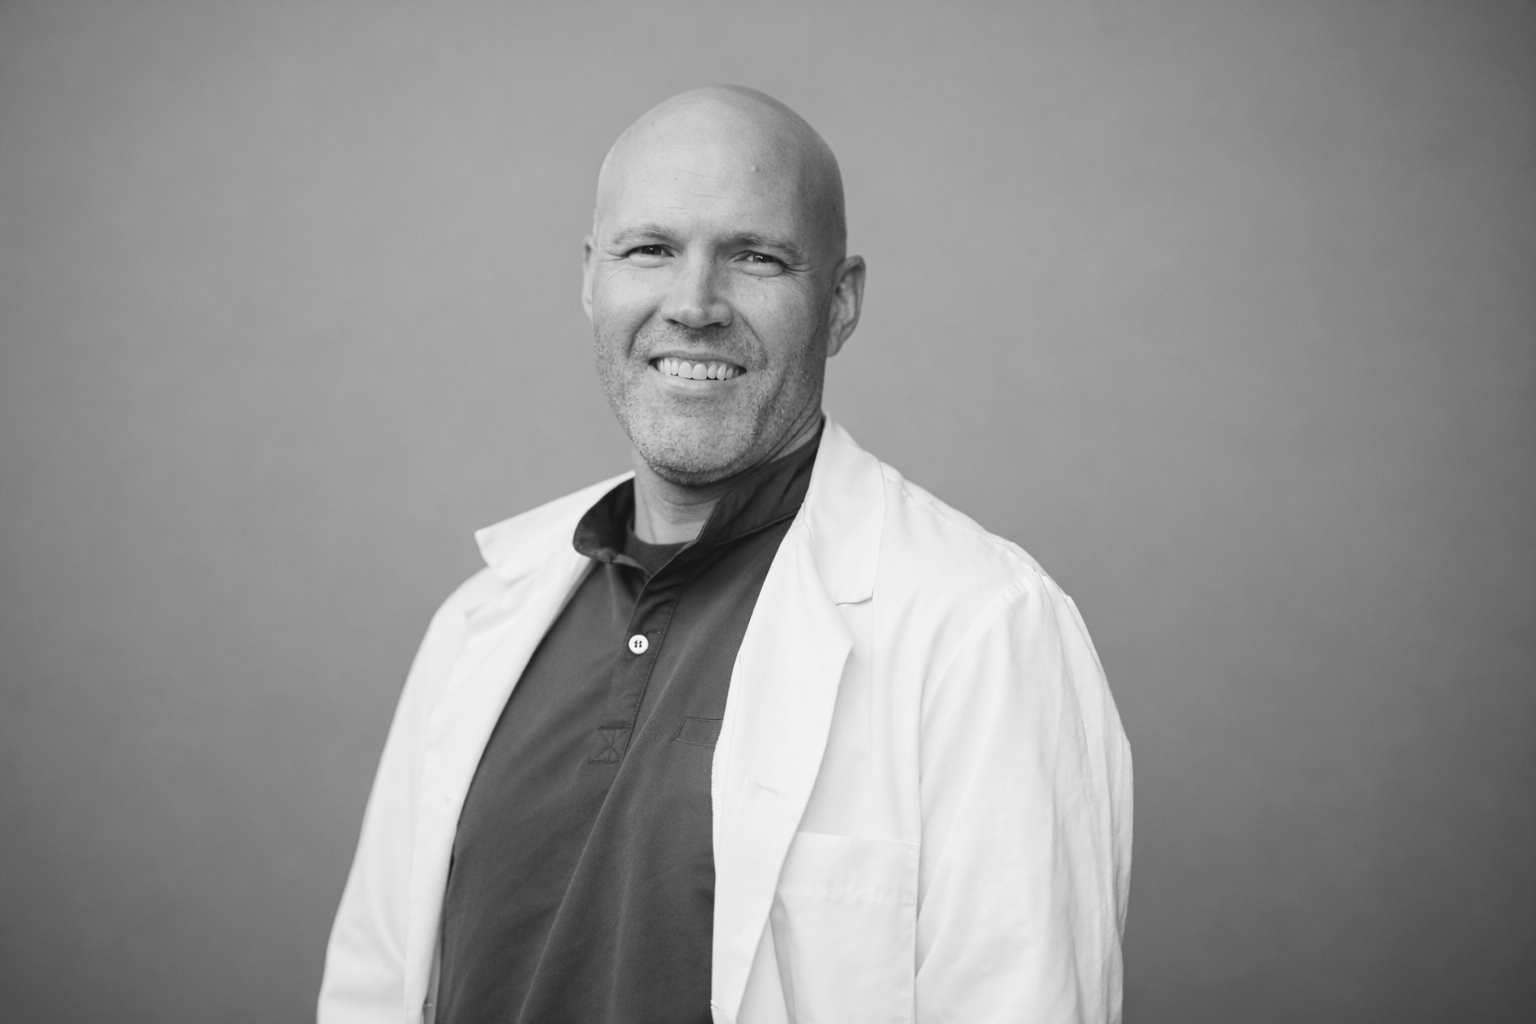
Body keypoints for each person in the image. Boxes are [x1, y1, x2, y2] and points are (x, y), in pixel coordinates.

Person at [318, 85, 1132, 1024]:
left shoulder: (984, 631)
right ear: (592, 278)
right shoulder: (476, 623)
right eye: (650, 249)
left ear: (840, 302)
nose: (694, 304)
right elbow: (373, 992)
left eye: (755, 256)